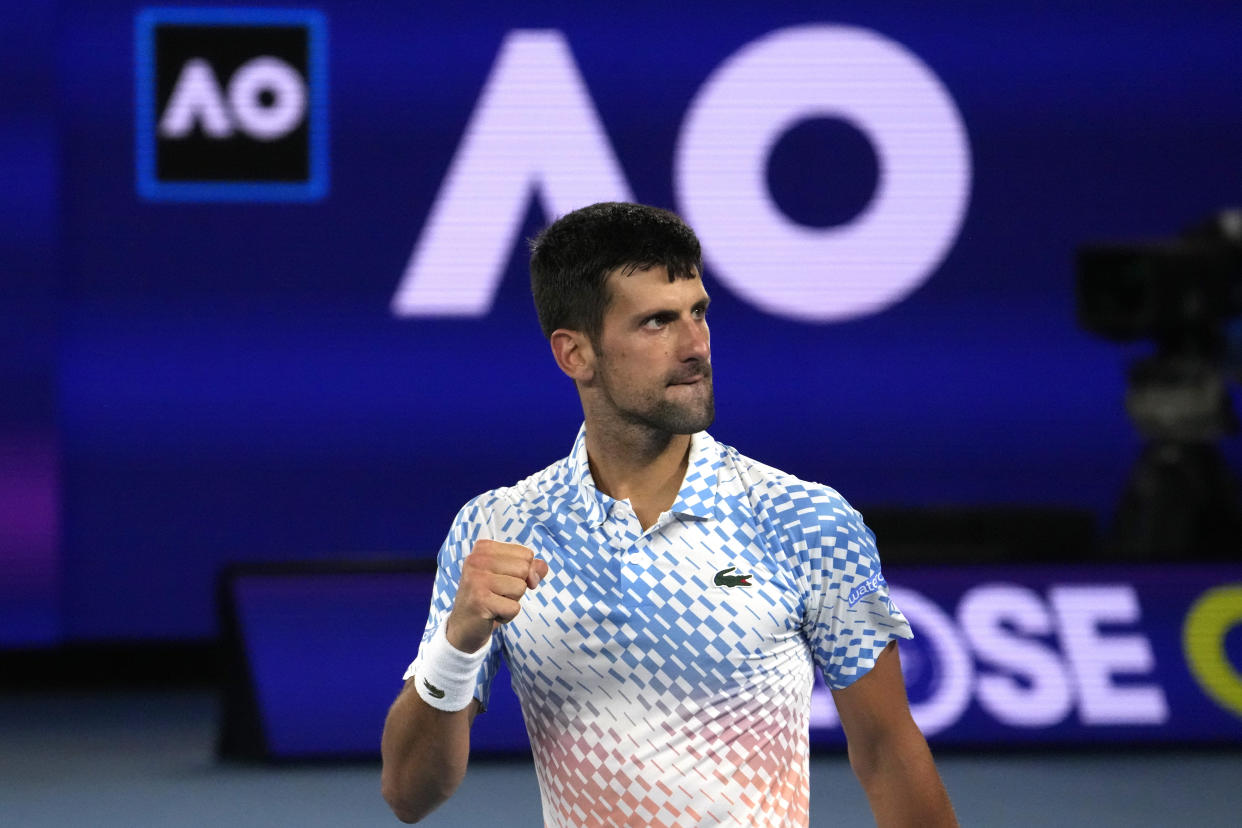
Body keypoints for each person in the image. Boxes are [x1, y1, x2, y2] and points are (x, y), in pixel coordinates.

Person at [381, 202, 957, 827]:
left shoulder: (803, 520)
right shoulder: (495, 528)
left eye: (699, 313)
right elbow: (410, 795)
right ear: (575, 355)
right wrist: (457, 645)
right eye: (656, 322)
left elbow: (888, 751)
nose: (695, 346)